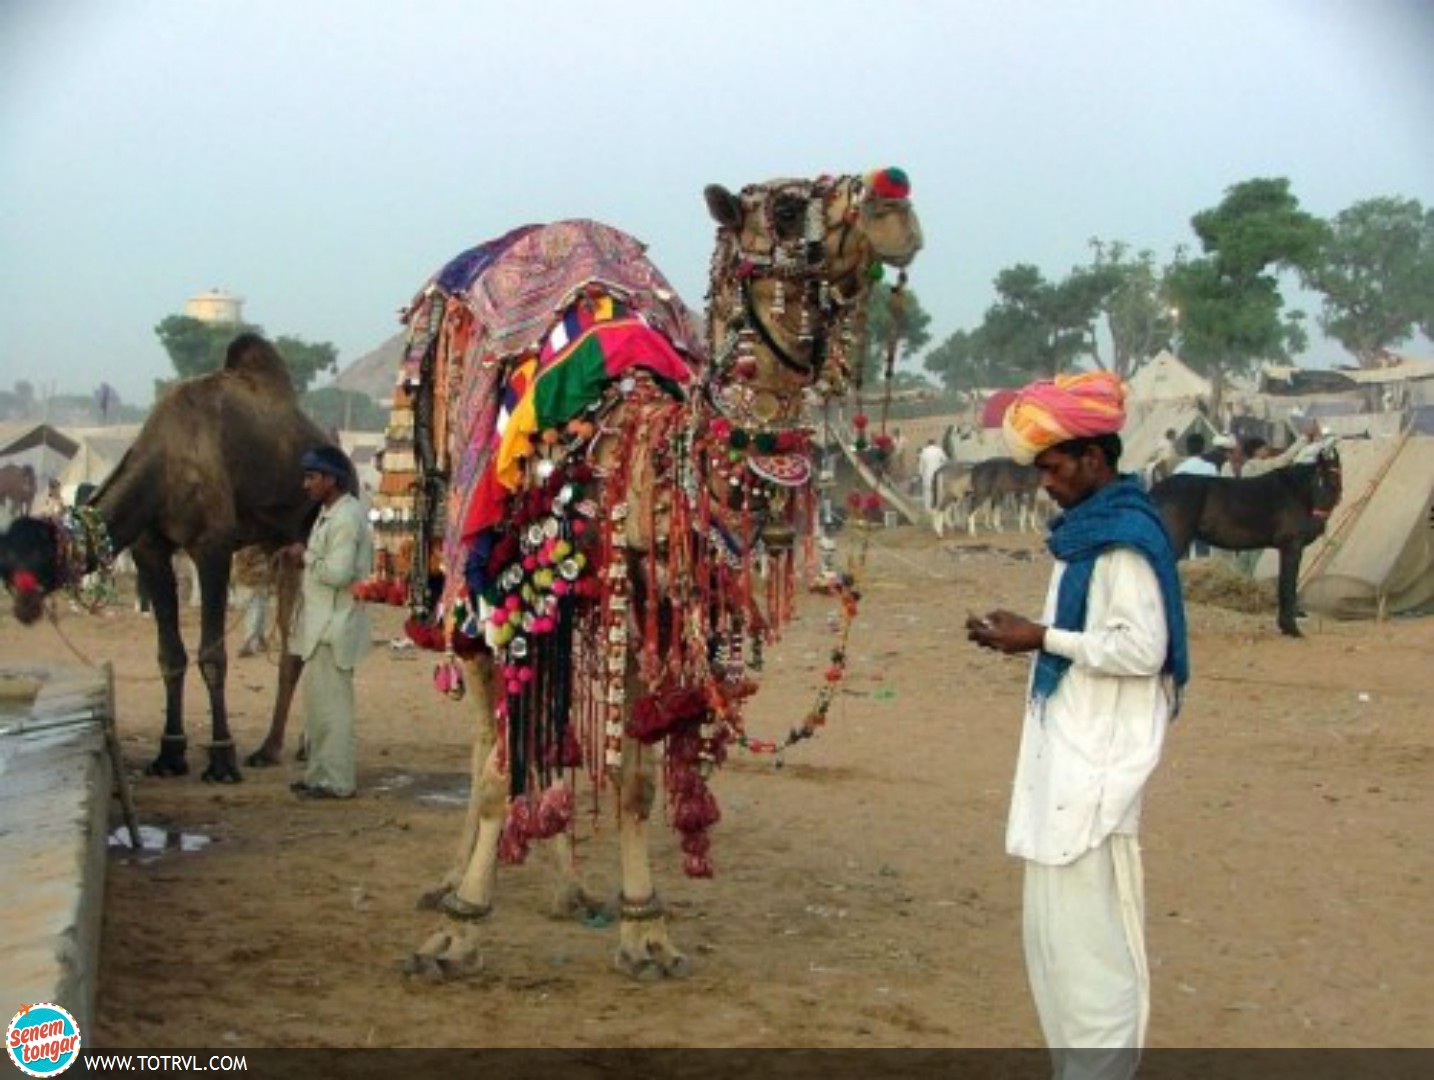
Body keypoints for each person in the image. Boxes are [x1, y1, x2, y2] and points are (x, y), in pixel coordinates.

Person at [966, 370, 1189, 1079]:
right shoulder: (1086, 538)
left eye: (1056, 467)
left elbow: (1141, 648)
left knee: (1093, 958)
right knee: (1056, 949)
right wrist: (1031, 634)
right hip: (1065, 760)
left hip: (1095, 770)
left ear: (1096, 460)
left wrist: (1041, 638)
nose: (1047, 483)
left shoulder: (1124, 541)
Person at [286, 445, 373, 800]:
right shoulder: (329, 514)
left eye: (312, 477)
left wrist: (304, 556)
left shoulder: (347, 518)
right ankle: (317, 774)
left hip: (336, 626)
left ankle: (336, 781)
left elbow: (338, 573)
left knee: (334, 709)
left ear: (331, 480)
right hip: (321, 624)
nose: (306, 484)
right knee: (318, 708)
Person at [916, 437, 949, 512]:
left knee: (927, 492)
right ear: (935, 443)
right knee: (938, 492)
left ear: (928, 444)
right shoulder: (939, 450)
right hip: (938, 474)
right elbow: (945, 461)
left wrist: (920, 474)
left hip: (927, 474)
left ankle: (927, 509)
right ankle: (938, 507)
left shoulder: (924, 451)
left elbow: (921, 465)